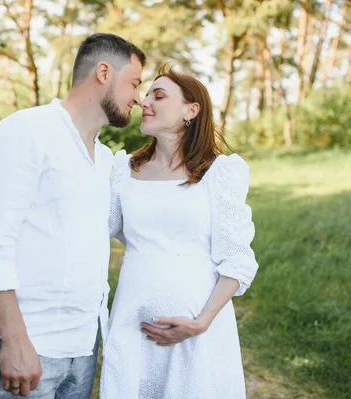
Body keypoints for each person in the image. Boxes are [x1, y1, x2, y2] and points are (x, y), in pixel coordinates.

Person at [0, 33, 145, 398]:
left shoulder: (107, 161)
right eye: (135, 82)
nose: (138, 97)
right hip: (29, 346)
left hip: (84, 350)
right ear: (104, 72)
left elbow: (141, 233)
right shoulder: (23, 132)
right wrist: (14, 342)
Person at [100, 67, 258, 398]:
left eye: (159, 96)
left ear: (191, 110)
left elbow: (237, 259)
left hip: (198, 333)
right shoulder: (123, 170)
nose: (145, 102)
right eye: (146, 95)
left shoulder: (219, 174)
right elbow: (102, 229)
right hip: (132, 324)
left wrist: (201, 322)